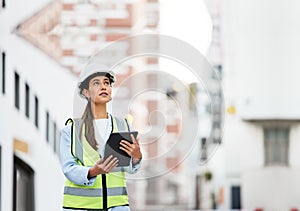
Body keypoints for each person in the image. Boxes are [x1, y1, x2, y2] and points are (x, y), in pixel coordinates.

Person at [60, 63, 142, 211]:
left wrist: (137, 157)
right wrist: (93, 172)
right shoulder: (71, 130)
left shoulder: (124, 126)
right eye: (96, 83)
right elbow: (68, 168)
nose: (103, 87)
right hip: (80, 207)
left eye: (107, 83)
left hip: (117, 207)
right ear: (86, 92)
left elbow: (130, 169)